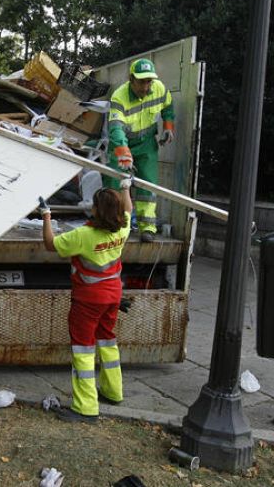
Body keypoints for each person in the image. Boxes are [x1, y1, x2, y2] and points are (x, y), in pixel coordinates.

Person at [41, 175, 133, 423]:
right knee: (107, 341)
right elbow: (129, 209)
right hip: (113, 297)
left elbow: (50, 244)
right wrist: (126, 187)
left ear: (96, 211)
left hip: (88, 301)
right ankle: (113, 392)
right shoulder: (122, 229)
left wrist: (46, 215)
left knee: (83, 350)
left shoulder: (83, 236)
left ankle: (86, 407)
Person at [106, 58, 175, 242]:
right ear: (131, 79)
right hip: (122, 143)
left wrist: (168, 126)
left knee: (148, 185)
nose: (146, 87)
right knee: (115, 185)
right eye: (142, 81)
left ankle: (148, 228)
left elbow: (168, 105)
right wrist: (123, 151)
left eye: (149, 81)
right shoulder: (119, 97)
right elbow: (116, 128)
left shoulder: (159, 88)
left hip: (146, 145)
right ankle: (114, 225)